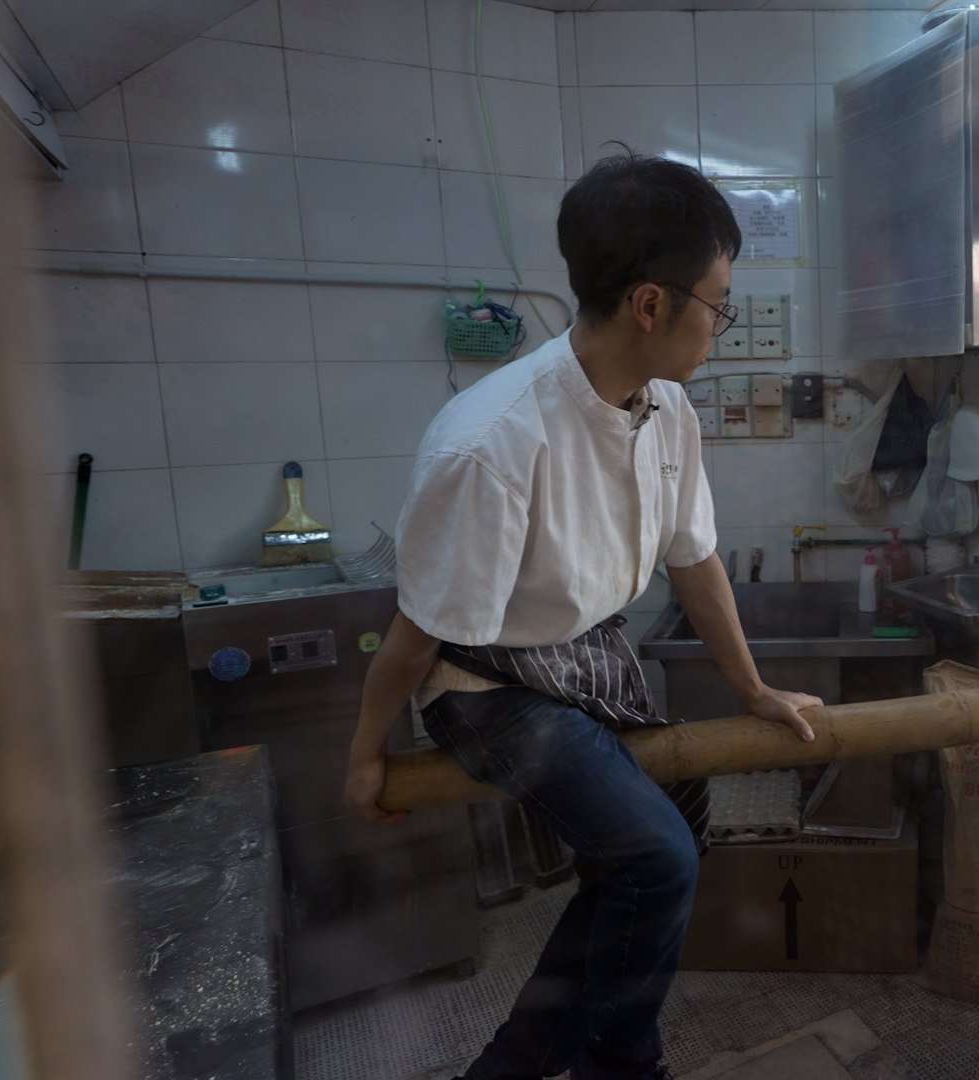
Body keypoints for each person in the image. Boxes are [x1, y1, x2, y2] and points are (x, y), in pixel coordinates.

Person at [343, 151, 824, 1080]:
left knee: (660, 844)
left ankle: (515, 1064)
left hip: (587, 661)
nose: (721, 326)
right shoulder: (494, 441)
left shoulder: (669, 409)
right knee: (656, 857)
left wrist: (753, 688)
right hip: (484, 684)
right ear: (650, 304)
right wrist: (367, 751)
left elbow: (696, 561)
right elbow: (417, 635)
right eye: (717, 303)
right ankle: (621, 1066)